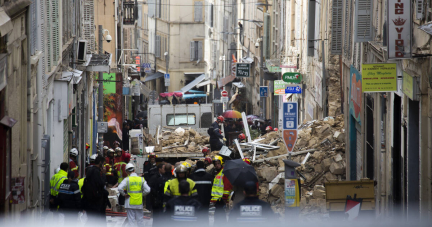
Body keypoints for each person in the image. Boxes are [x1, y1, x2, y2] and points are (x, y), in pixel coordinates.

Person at [81, 156, 108, 226]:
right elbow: (100, 184)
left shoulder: (90, 170)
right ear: (100, 163)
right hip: (95, 201)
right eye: (103, 164)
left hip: (88, 200)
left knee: (91, 219)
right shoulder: (96, 171)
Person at [210, 155, 233, 225]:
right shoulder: (217, 172)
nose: (217, 165)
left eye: (218, 163)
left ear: (221, 163)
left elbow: (227, 186)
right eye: (215, 164)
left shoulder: (224, 173)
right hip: (217, 200)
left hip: (221, 200)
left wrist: (225, 198)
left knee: (220, 219)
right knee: (218, 217)